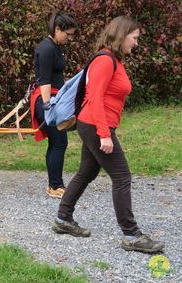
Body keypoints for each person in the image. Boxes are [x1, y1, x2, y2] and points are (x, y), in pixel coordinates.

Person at [52, 16, 165, 254]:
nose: (136, 43)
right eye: (134, 38)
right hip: (95, 125)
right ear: (122, 35)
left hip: (93, 124)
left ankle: (63, 218)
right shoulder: (105, 61)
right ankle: (131, 234)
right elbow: (95, 99)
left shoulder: (114, 60)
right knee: (122, 176)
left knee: (86, 172)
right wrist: (104, 134)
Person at [30, 11, 77, 198]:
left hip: (55, 97)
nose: (69, 38)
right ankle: (55, 186)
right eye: (68, 34)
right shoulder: (47, 48)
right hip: (46, 99)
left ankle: (54, 184)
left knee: (57, 142)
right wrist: (48, 106)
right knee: (59, 142)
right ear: (57, 29)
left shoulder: (56, 47)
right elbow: (45, 80)